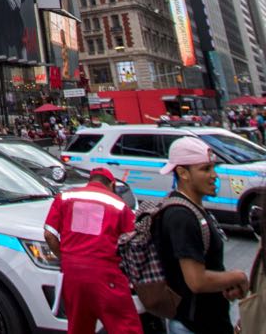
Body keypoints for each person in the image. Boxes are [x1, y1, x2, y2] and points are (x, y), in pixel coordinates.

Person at [154, 136, 248, 334]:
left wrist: (225, 283)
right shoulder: (181, 216)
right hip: (195, 326)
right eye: (205, 169)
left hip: (208, 321)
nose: (214, 175)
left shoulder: (193, 208)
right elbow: (196, 281)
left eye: (213, 168)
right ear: (183, 173)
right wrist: (237, 276)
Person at [43, 166, 141, 334]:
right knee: (125, 326)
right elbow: (134, 240)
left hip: (72, 274)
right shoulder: (117, 204)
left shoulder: (65, 197)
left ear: (90, 181)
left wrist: (65, 258)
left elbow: (49, 235)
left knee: (79, 327)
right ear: (111, 185)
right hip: (106, 274)